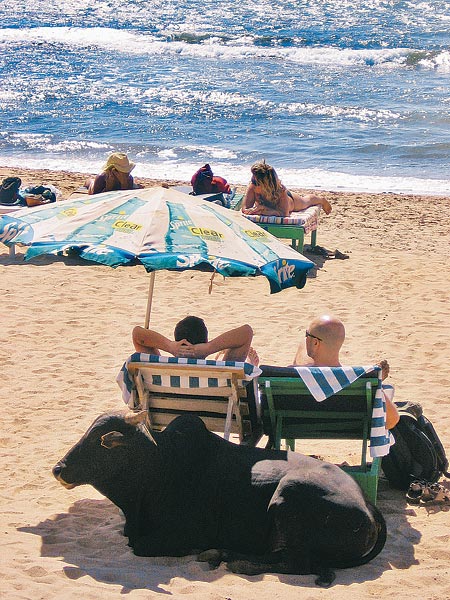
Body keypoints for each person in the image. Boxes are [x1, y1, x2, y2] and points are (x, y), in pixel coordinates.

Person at [291, 314, 399, 429]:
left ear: (316, 343)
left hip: (295, 425)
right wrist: (376, 382)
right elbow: (391, 421)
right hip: (349, 427)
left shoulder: (288, 374)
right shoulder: (361, 379)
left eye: (307, 335)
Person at [132, 316, 259, 364]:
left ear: (177, 339)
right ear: (205, 340)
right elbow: (247, 332)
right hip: (215, 415)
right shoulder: (221, 371)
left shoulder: (159, 368)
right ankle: (252, 366)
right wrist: (209, 348)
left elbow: (137, 334)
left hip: (169, 415)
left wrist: (170, 346)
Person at [242, 160, 332, 217]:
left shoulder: (280, 190)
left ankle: (321, 200)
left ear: (264, 185)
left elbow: (284, 214)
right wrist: (259, 210)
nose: (252, 183)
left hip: (292, 202)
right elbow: (245, 209)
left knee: (307, 201)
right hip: (274, 203)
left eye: (255, 181)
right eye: (252, 180)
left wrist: (265, 209)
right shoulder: (253, 187)